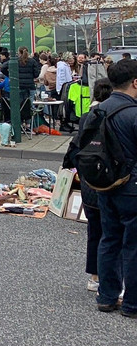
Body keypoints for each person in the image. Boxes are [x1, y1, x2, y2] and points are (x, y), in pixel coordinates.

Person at [91, 59, 137, 317]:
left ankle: (107, 296)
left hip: (104, 184)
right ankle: (132, 303)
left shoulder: (96, 110)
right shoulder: (134, 113)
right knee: (133, 246)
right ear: (135, 82)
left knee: (109, 239)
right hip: (132, 185)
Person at [64, 78, 114, 295]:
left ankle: (95, 276)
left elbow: (73, 152)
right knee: (113, 233)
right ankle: (111, 279)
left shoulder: (86, 118)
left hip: (89, 182)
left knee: (95, 231)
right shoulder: (115, 117)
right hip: (110, 182)